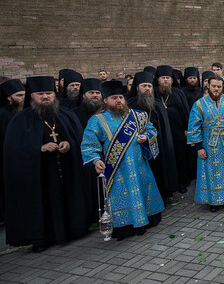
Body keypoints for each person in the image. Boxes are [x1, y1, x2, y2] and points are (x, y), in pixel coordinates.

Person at [5, 76, 92, 251]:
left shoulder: (67, 115)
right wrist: (39, 149)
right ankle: (42, 238)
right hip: (40, 174)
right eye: (40, 94)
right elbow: (13, 152)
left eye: (49, 93)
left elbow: (80, 140)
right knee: (44, 203)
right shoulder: (20, 120)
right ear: (32, 96)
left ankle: (73, 230)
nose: (45, 97)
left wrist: (70, 144)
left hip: (66, 169)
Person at [81, 80, 165, 240]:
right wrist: (95, 159)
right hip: (117, 170)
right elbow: (89, 144)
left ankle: (149, 218)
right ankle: (125, 227)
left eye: (120, 97)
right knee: (121, 196)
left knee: (143, 190)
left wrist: (146, 136)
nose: (118, 100)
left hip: (140, 165)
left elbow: (152, 130)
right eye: (114, 98)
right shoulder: (97, 121)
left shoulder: (138, 116)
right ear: (105, 100)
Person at [188, 76, 224, 211]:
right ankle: (213, 201)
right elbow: (194, 127)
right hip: (209, 146)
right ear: (208, 86)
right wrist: (198, 147)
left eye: (219, 87)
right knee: (211, 173)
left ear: (222, 88)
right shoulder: (199, 104)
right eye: (214, 86)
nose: (216, 89)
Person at [127, 72, 179, 202]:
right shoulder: (129, 105)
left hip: (158, 145)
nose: (147, 89)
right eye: (144, 86)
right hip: (136, 146)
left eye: (149, 86)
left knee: (160, 171)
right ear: (137, 87)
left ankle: (162, 195)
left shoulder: (158, 105)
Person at [155, 65, 191, 193]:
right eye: (163, 78)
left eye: (168, 78)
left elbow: (186, 111)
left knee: (180, 157)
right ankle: (167, 185)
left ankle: (181, 182)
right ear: (158, 80)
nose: (165, 80)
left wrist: (187, 127)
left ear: (172, 80)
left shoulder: (178, 92)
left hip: (178, 131)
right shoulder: (154, 93)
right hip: (160, 133)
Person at [0, 79, 25, 224]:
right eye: (19, 96)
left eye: (24, 95)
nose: (23, 98)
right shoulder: (3, 115)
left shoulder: (24, 112)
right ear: (9, 98)